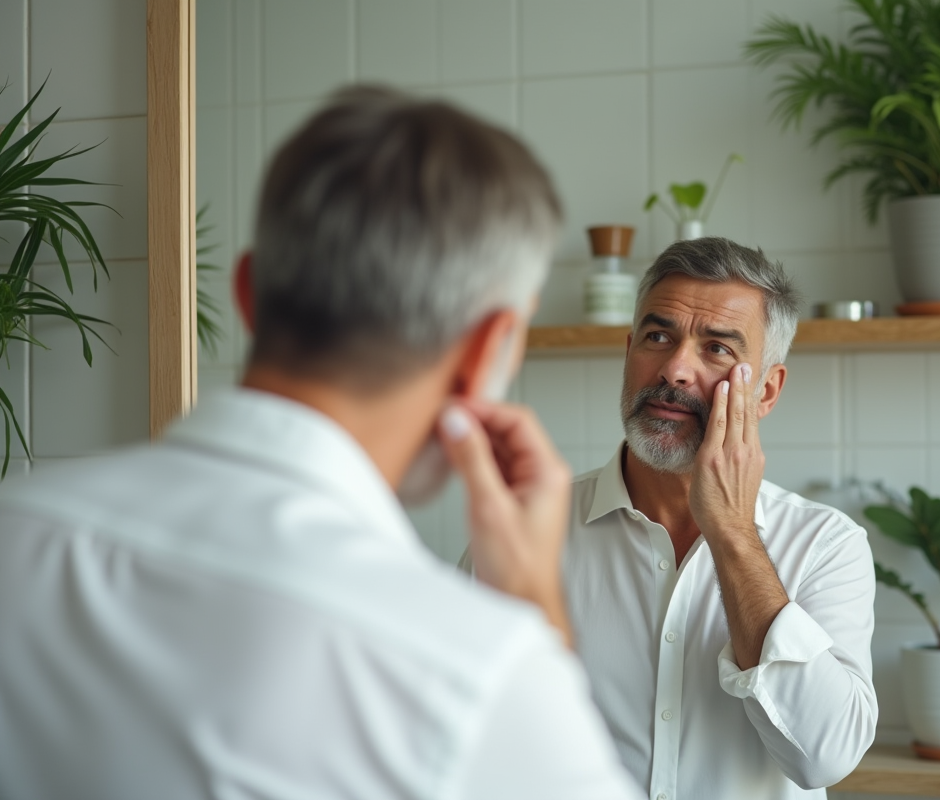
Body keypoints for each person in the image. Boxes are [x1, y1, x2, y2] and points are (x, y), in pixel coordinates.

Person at [0, 86, 640, 800]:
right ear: (485, 349)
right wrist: (534, 604)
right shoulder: (477, 672)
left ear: (249, 294)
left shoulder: (16, 529)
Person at [565, 237, 878, 800]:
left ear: (766, 391)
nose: (675, 369)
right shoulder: (529, 528)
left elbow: (825, 758)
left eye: (716, 349)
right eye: (658, 337)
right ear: (629, 351)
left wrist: (733, 532)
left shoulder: (827, 545)